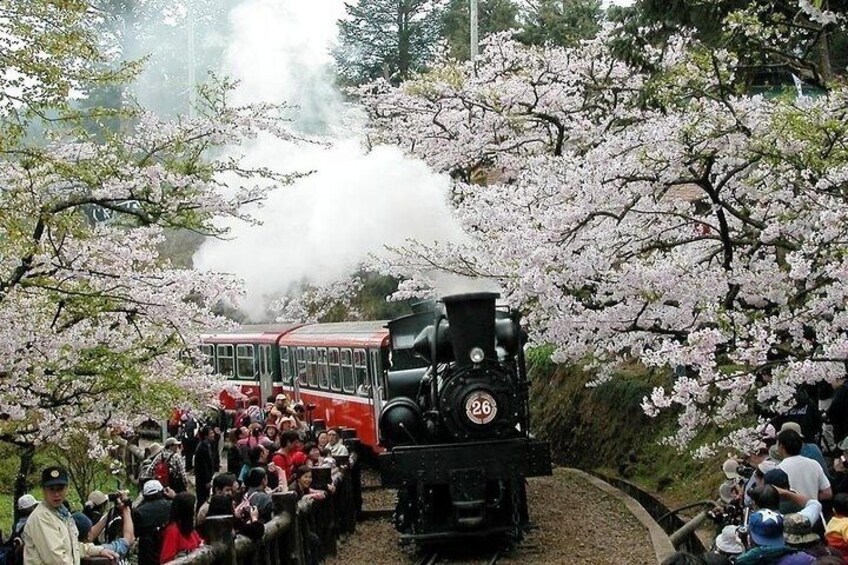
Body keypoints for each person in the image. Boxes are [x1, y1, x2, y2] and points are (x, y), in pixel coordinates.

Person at [23, 466, 128, 564]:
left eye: (60, 488)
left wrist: (98, 550)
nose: (56, 494)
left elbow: (72, 547)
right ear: (44, 490)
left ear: (66, 488)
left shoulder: (62, 513)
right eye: (51, 489)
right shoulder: (42, 517)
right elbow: (57, 560)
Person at [777, 429, 832, 501]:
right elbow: (827, 493)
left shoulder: (779, 469)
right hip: (814, 510)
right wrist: (811, 500)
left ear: (781, 446)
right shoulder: (814, 464)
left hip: (792, 511)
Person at [132, 480, 173, 565]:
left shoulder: (139, 512)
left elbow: (135, 533)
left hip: (147, 553)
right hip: (168, 548)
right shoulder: (171, 505)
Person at [159, 492, 203, 563]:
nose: (195, 512)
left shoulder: (189, 529)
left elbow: (200, 543)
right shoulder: (173, 531)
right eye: (193, 509)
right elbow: (166, 559)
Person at [194, 425, 218, 511]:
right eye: (211, 433)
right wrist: (207, 480)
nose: (213, 434)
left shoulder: (207, 445)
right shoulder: (202, 448)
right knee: (202, 499)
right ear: (205, 436)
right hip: (202, 480)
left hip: (205, 478)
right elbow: (203, 467)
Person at [824, 493, 848, 559]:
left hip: (834, 556)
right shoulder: (846, 524)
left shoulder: (832, 521)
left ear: (833, 510)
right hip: (844, 557)